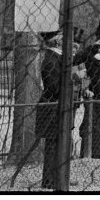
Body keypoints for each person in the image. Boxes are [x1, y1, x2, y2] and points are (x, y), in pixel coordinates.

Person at [35, 30, 72, 189]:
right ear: (54, 40)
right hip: (52, 105)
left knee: (59, 143)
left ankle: (59, 177)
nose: (63, 39)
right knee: (52, 144)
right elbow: (52, 85)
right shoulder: (51, 59)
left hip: (57, 105)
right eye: (60, 37)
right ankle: (49, 180)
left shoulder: (57, 56)